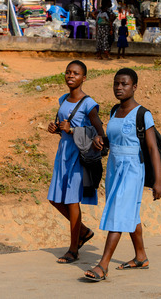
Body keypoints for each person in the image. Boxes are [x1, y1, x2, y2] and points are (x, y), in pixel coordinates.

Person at [84, 68, 161, 281]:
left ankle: (103, 265)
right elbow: (113, 139)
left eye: (124, 84)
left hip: (132, 169)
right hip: (114, 167)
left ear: (134, 87)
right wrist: (100, 141)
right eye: (116, 84)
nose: (119, 88)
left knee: (119, 211)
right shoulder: (113, 111)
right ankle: (141, 256)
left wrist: (158, 181)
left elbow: (153, 148)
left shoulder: (142, 114)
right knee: (129, 211)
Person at [47, 60, 105, 264]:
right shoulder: (63, 99)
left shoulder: (89, 103)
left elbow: (99, 131)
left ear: (84, 78)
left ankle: (73, 249)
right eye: (68, 72)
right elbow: (63, 126)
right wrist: (56, 129)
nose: (71, 76)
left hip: (78, 156)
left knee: (72, 201)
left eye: (76, 73)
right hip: (63, 153)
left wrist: (71, 130)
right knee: (54, 199)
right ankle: (83, 232)